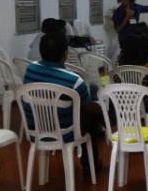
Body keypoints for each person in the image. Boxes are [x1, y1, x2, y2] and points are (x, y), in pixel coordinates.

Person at [23, 33, 103, 172]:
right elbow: (89, 107)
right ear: (65, 54)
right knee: (93, 114)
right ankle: (90, 165)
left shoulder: (30, 69)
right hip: (64, 133)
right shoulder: (73, 80)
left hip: (35, 131)